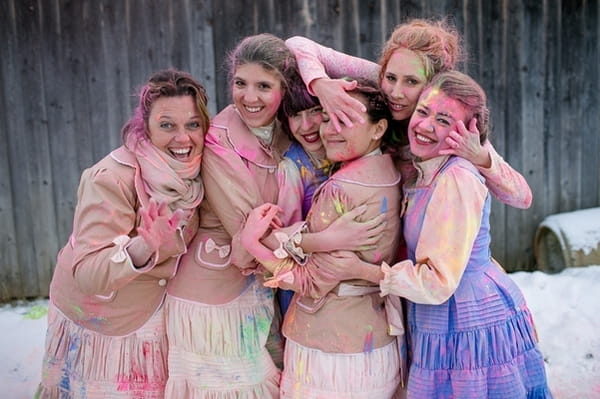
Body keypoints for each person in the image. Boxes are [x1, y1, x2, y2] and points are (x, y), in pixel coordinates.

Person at [354, 71, 553, 398]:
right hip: (442, 311)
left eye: (444, 120)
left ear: (469, 134)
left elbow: (436, 282)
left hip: (466, 315)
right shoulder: (427, 165)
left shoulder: (456, 177)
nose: (427, 125)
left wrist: (362, 272)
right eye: (423, 112)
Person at [36, 69, 210, 398]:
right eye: (167, 125)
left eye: (192, 124)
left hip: (149, 318)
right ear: (145, 128)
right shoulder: (110, 178)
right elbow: (88, 273)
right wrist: (144, 245)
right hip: (102, 324)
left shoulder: (198, 172)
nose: (183, 138)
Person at [240, 79, 405, 398]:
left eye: (345, 120)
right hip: (373, 339)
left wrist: (253, 244)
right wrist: (304, 239)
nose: (330, 129)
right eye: (328, 117)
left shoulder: (340, 188)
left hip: (330, 351)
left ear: (378, 128)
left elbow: (309, 281)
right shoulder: (391, 173)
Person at [286, 18, 533, 209]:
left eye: (411, 82)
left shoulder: (451, 127)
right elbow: (296, 44)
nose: (395, 92)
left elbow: (522, 197)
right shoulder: (377, 80)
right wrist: (319, 83)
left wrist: (480, 157)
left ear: (433, 86)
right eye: (391, 77)